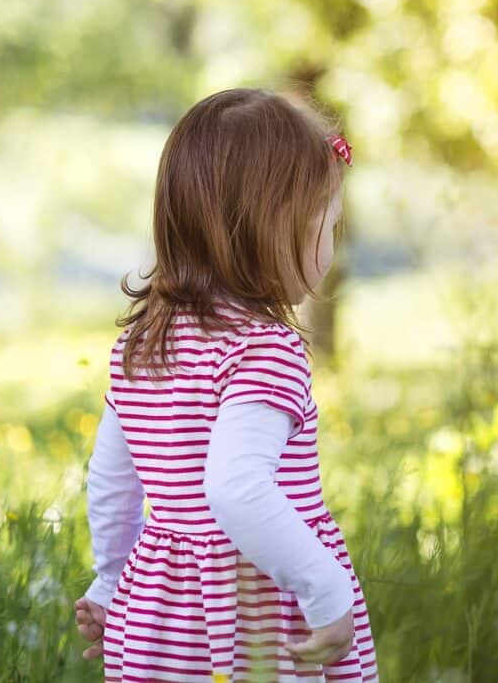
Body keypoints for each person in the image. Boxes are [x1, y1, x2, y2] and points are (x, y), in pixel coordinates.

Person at [72, 87, 377, 681]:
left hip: (160, 615)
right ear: (270, 227)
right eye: (327, 226)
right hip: (252, 612)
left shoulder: (144, 344)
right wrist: (325, 593)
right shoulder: (264, 349)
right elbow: (236, 488)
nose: (330, 250)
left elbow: (111, 480)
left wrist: (111, 583)